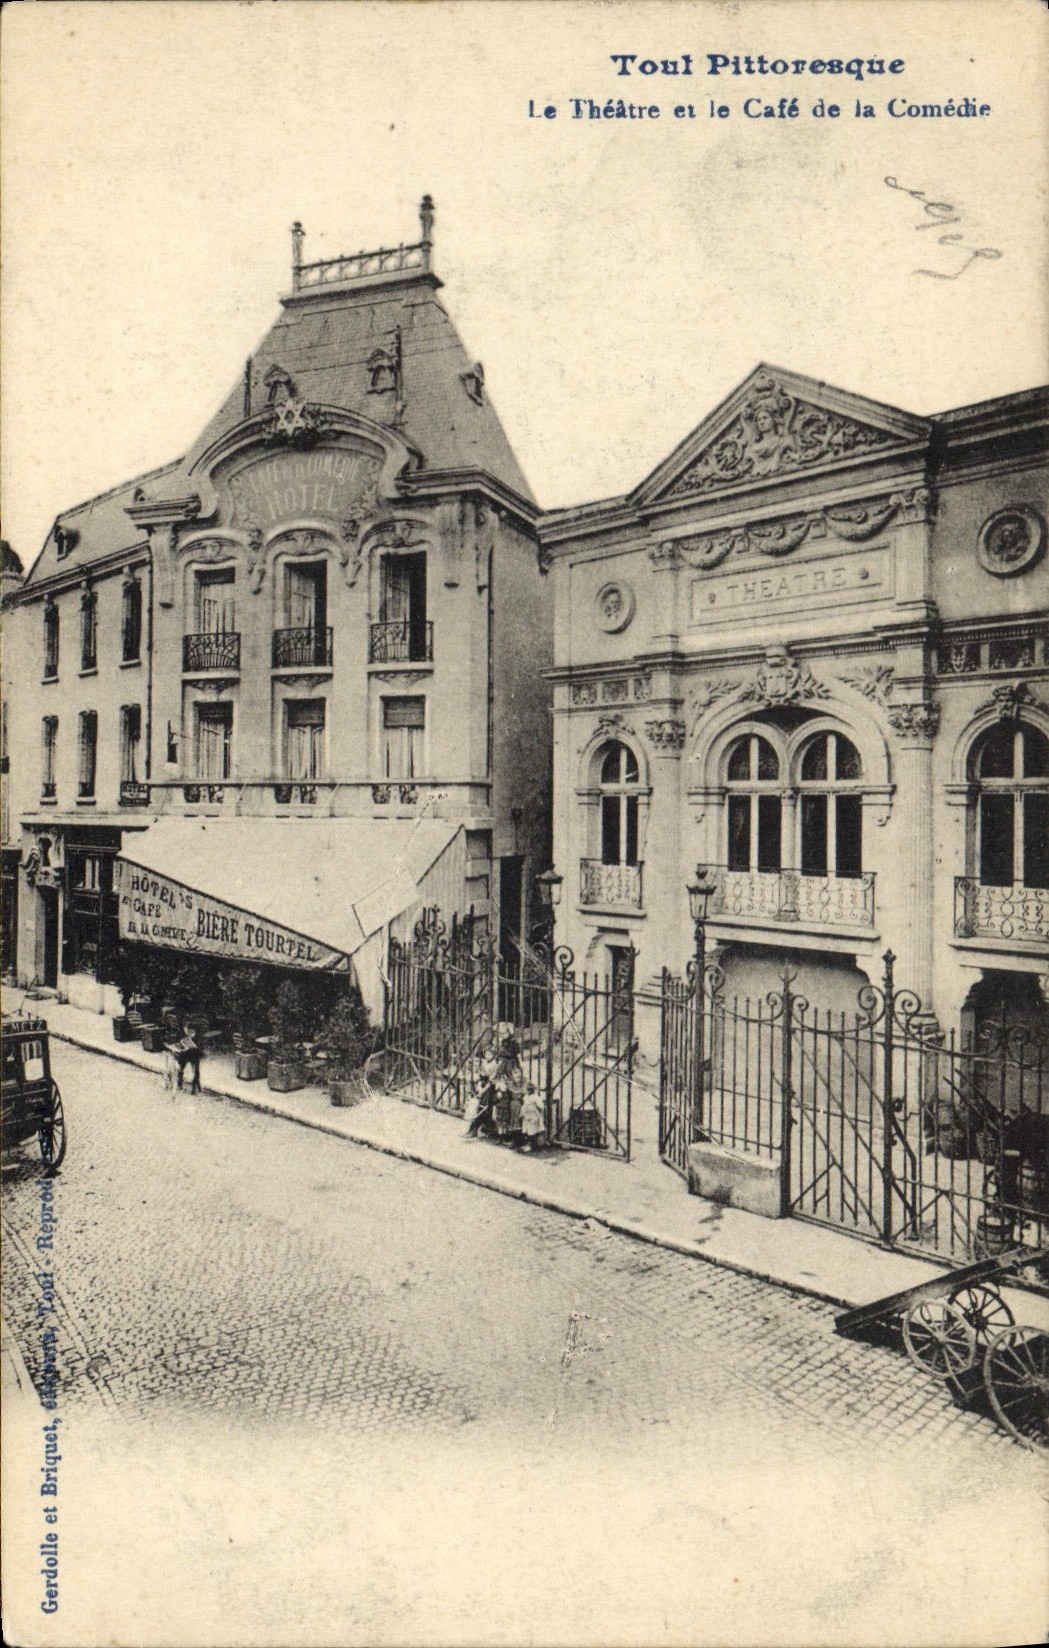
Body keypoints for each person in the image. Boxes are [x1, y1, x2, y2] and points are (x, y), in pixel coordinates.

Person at [464, 1023, 524, 1140]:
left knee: (496, 1100)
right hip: (499, 1073)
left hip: (506, 1072)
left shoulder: (512, 1044)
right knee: (487, 1100)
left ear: (508, 1032)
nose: (501, 1035)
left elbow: (517, 1058)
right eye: (499, 1033)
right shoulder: (499, 1044)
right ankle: (480, 1127)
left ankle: (485, 1128)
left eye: (503, 1033)